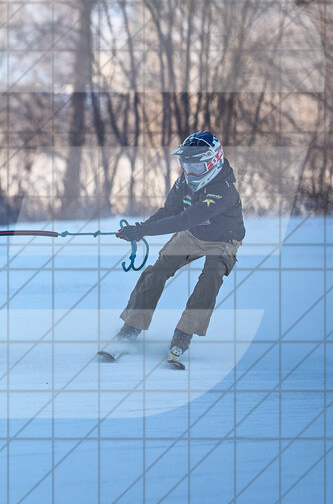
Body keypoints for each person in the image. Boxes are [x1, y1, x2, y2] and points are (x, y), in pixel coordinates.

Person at [104, 131, 245, 367]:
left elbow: (184, 219)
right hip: (192, 234)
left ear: (213, 162)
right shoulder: (183, 181)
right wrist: (140, 229)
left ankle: (182, 338)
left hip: (223, 240)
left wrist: (144, 230)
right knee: (156, 272)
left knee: (210, 279)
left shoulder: (223, 190)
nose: (190, 171)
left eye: (196, 166)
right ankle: (129, 330)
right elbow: (169, 211)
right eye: (185, 165)